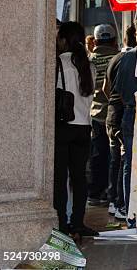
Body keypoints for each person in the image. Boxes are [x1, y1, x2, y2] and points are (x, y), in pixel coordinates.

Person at [54, 22, 97, 236]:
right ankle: (78, 222)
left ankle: (61, 223)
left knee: (60, 178)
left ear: (63, 39)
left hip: (63, 127)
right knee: (79, 177)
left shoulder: (58, 63)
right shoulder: (89, 66)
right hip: (84, 127)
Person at [103, 24, 137, 220]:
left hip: (113, 112)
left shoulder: (117, 59)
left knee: (117, 157)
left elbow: (106, 87)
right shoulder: (129, 59)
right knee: (123, 158)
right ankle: (120, 202)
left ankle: (115, 201)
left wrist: (115, 101)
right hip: (122, 112)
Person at [87, 24, 119, 206]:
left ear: (96, 40)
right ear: (114, 40)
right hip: (114, 113)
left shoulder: (89, 60)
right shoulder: (117, 58)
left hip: (95, 114)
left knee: (97, 155)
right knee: (116, 156)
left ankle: (95, 193)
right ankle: (113, 193)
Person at [114, 23, 137, 223]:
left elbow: (117, 89)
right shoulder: (135, 57)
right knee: (133, 163)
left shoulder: (127, 58)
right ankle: (134, 213)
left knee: (130, 163)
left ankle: (131, 212)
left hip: (131, 112)